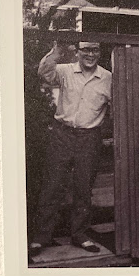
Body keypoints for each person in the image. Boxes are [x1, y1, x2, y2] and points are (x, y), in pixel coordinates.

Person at [29, 41, 112, 256]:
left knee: (83, 187)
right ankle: (41, 237)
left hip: (89, 138)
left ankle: (80, 234)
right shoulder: (65, 70)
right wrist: (57, 50)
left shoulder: (108, 78)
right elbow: (44, 72)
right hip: (62, 135)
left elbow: (116, 107)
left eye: (94, 50)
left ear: (99, 52)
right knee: (52, 185)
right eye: (85, 50)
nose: (90, 54)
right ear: (78, 51)